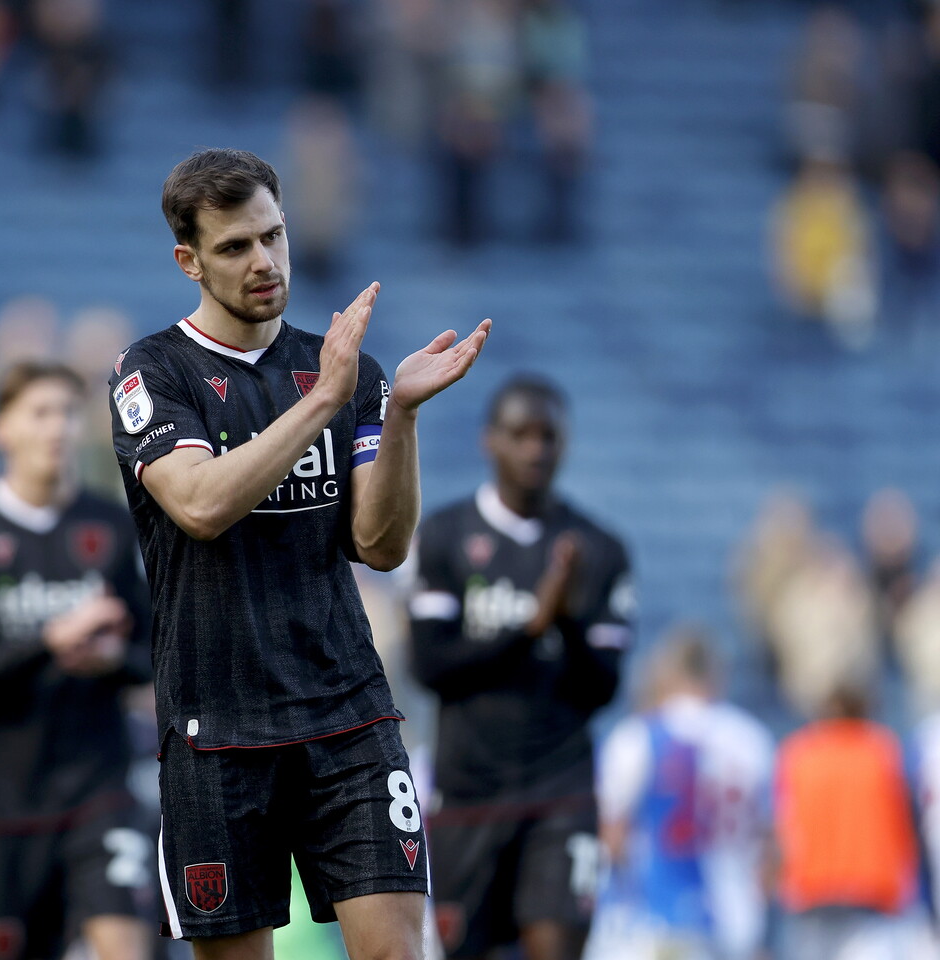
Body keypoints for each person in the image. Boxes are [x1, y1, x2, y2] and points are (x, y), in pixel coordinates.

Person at [109, 147, 490, 960]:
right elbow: (202, 505)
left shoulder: (350, 372)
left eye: (273, 237)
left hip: (347, 714)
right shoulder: (152, 372)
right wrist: (324, 399)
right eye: (235, 246)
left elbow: (379, 546)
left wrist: (403, 423)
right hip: (216, 728)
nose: (264, 262)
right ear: (189, 260)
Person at [407, 374, 633, 960]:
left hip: (560, 795)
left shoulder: (598, 549)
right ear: (490, 441)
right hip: (468, 795)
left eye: (549, 436)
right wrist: (530, 626)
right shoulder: (446, 537)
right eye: (521, 434)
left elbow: (603, 687)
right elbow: (430, 665)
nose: (536, 449)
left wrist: (567, 622)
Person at [0, 361, 155, 960]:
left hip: (99, 788)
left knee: (123, 943)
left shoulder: (110, 525)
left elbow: (150, 656)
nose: (56, 427)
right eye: (40, 412)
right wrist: (52, 643)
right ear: (0, 429)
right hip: (3, 804)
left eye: (67, 412)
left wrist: (111, 657)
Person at [592, 626, 773, 960]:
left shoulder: (639, 737)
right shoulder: (751, 738)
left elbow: (611, 838)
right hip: (737, 928)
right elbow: (769, 849)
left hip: (659, 929)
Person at [773, 684, 921, 960]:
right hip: (869, 892)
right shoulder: (882, 750)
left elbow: (782, 828)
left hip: (811, 892)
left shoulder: (798, 753)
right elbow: (907, 827)